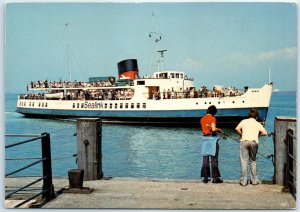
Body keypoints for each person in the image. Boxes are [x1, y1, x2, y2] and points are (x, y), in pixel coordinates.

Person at [235, 108, 268, 186]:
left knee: (244, 161)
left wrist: (241, 134)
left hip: (244, 141)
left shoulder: (244, 121)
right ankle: (254, 180)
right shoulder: (257, 123)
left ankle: (244, 181)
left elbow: (237, 129)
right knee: (253, 161)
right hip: (254, 142)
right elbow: (265, 133)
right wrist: (258, 135)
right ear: (256, 117)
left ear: (249, 115)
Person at [200, 105, 223, 183]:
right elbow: (213, 129)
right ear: (214, 112)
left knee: (205, 159)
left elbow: (205, 128)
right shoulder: (213, 118)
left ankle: (205, 178)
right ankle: (215, 178)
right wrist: (219, 129)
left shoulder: (202, 119)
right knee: (214, 159)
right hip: (212, 139)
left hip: (205, 139)